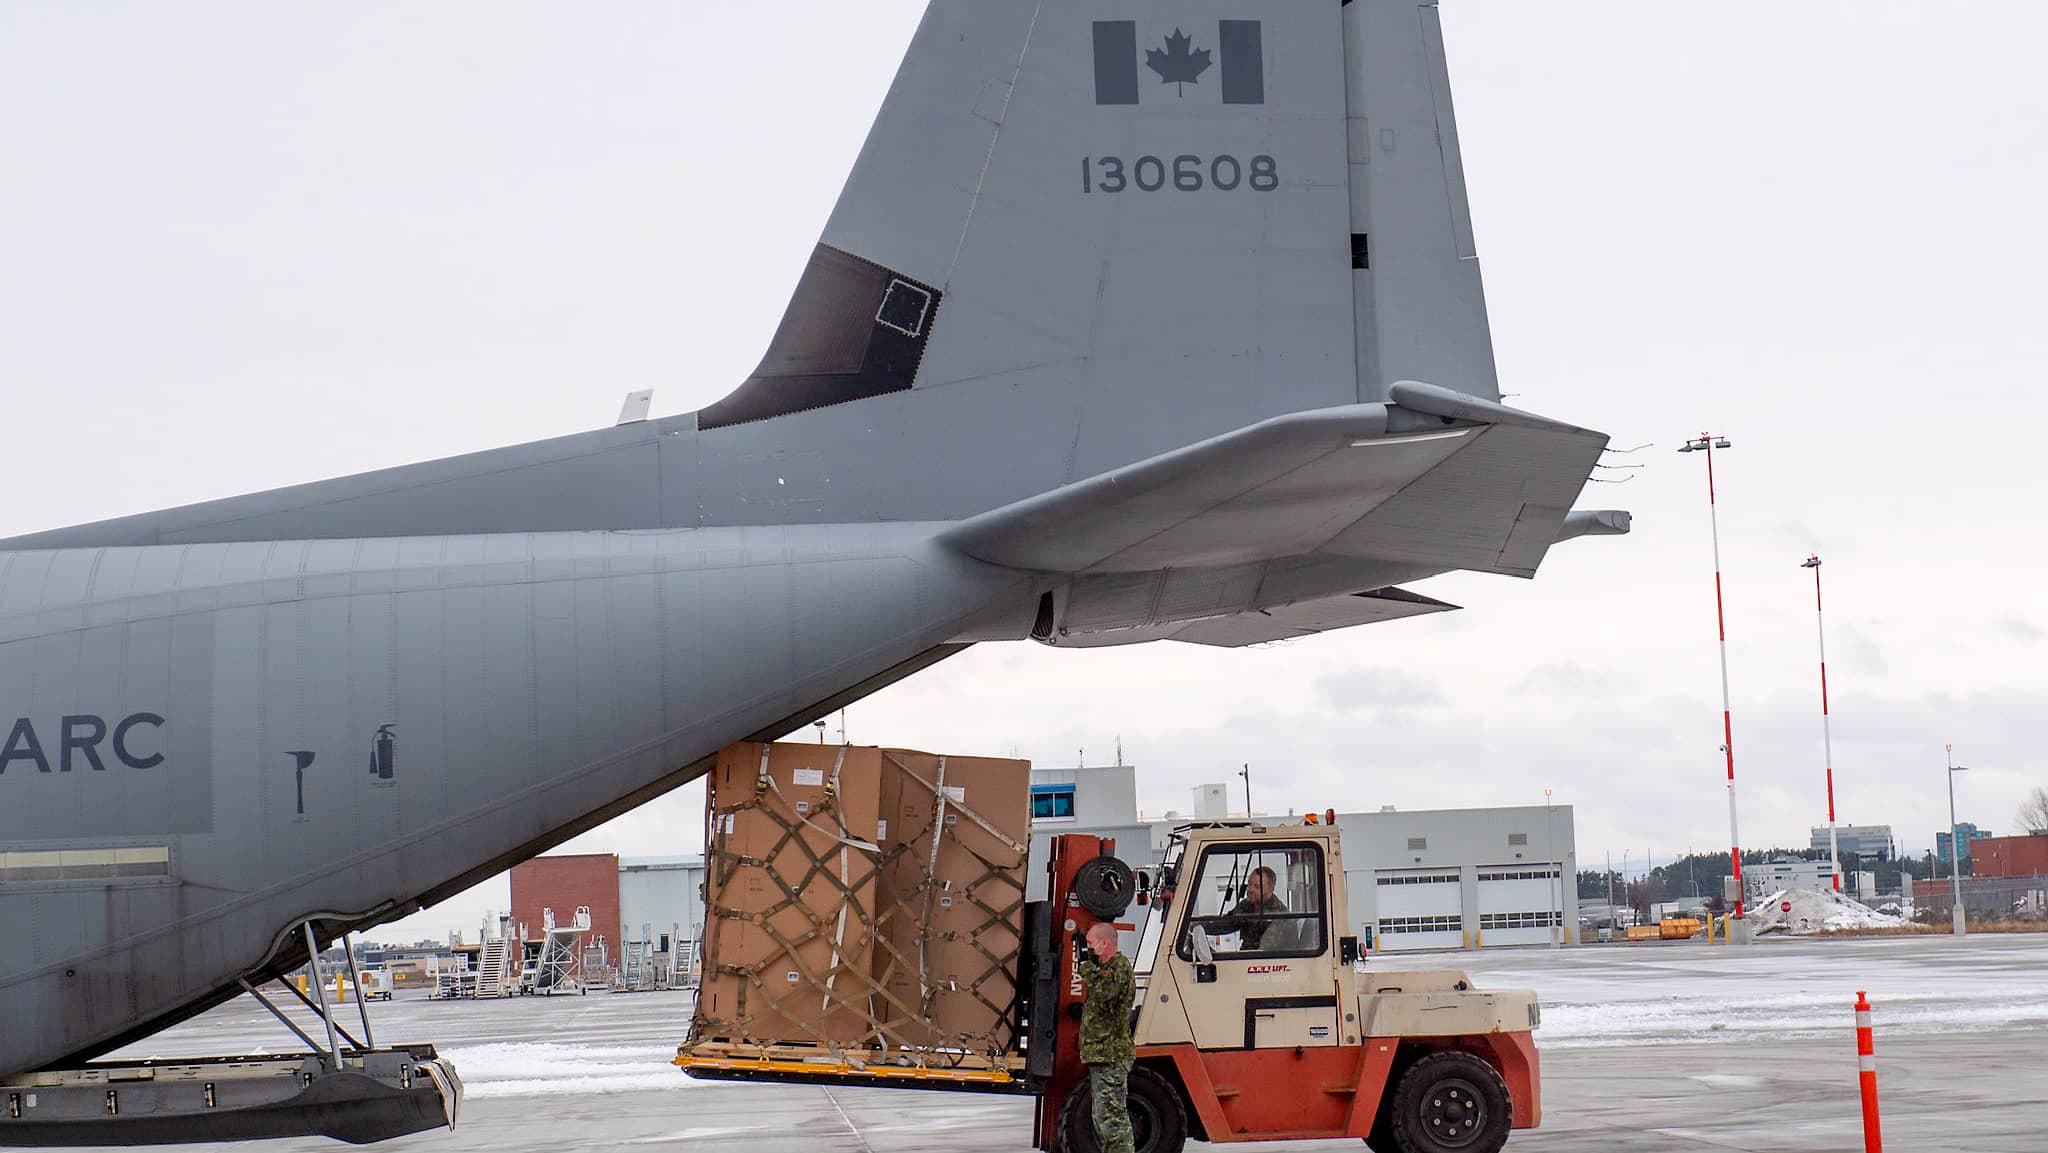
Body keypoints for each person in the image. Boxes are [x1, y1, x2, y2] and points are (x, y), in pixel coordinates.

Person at [1078, 921, 1135, 1153]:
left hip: (1111, 1054)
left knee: (1112, 1120)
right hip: (1102, 1054)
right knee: (1102, 1118)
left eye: (1091, 944)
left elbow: (1104, 993)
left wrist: (1085, 965)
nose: (1089, 948)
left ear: (1105, 943)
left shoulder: (1118, 968)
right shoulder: (1106, 969)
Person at [1214, 865, 1289, 951]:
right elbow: (1227, 923)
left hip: (1268, 962)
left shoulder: (1279, 914)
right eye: (1249, 884)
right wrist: (1199, 926)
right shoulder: (1246, 905)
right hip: (1248, 959)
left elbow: (1263, 951)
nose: (1250, 889)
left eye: (1257, 887)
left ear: (1271, 889)